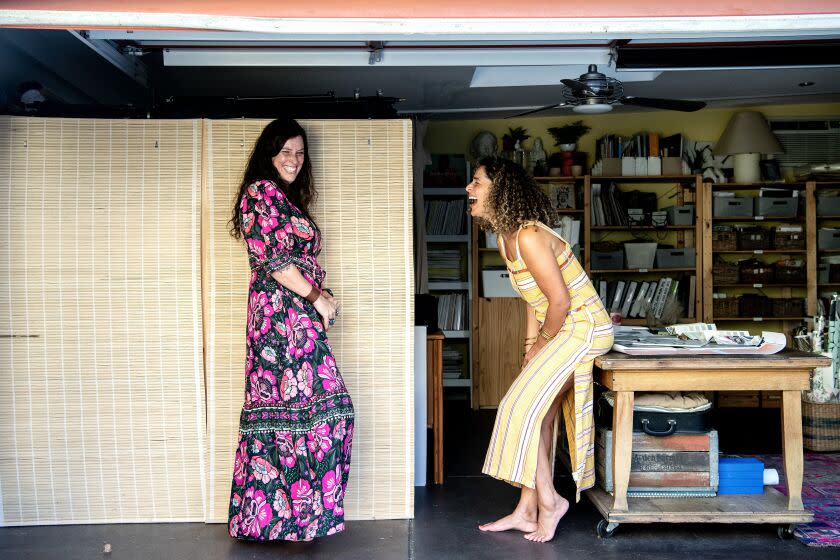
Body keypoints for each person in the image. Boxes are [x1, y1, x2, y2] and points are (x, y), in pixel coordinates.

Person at [467, 157, 613, 543]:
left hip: (584, 328)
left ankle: (550, 502)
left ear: (498, 190)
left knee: (520, 406)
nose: (469, 189)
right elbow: (535, 300)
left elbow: (561, 301)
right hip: (559, 329)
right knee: (540, 412)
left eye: (476, 182)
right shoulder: (505, 238)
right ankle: (526, 509)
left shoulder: (530, 236)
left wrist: (543, 345)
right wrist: (530, 347)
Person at [227, 117, 354, 542]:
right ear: (269, 154)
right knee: (304, 414)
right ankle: (283, 521)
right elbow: (275, 262)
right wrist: (317, 297)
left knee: (311, 414)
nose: (294, 160)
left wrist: (322, 298)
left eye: (300, 153)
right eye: (285, 152)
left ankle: (295, 521)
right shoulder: (259, 194)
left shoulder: (286, 200)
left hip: (298, 318)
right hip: (277, 321)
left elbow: (299, 262)